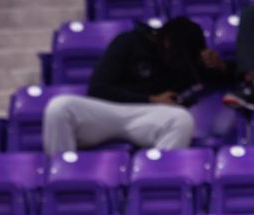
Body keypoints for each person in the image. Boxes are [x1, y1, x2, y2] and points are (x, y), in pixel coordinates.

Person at [42, 18, 225, 155]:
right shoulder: (128, 42)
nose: (178, 60)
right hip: (108, 111)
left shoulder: (185, 61)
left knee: (182, 120)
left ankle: (156, 182)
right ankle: (62, 173)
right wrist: (151, 99)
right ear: (166, 41)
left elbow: (226, 79)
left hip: (145, 118)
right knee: (59, 106)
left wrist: (220, 67)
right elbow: (98, 90)